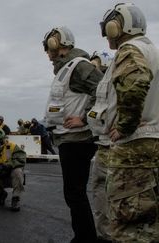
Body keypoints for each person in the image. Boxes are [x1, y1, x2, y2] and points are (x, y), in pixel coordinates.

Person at [88, 3, 159, 241]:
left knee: (130, 226)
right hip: (149, 145)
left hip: (133, 149)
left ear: (116, 26)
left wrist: (126, 125)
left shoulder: (130, 49)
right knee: (147, 223)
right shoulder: (151, 50)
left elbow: (135, 84)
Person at [43, 26, 104, 242]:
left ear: (58, 44)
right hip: (69, 140)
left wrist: (85, 118)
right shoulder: (66, 69)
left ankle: (85, 238)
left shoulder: (79, 66)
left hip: (78, 139)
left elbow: (104, 91)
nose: (47, 53)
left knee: (75, 193)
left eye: (48, 47)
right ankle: (84, 237)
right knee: (74, 193)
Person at [88, 50, 114, 242]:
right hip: (103, 144)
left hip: (115, 145)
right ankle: (104, 235)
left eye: (95, 65)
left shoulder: (113, 83)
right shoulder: (102, 88)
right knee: (98, 190)